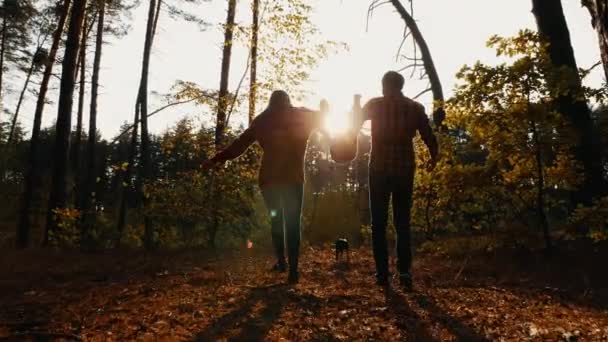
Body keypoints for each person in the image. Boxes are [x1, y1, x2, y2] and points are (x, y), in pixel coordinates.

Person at [202, 90, 326, 284]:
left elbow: (239, 145)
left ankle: (282, 262)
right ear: (288, 102)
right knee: (292, 223)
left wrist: (216, 159)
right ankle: (292, 270)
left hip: (270, 181)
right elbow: (321, 117)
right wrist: (324, 110)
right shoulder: (300, 115)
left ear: (270, 104)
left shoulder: (263, 120)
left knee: (277, 221)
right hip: (293, 180)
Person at [356, 71, 439, 290]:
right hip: (404, 171)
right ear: (401, 86)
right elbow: (429, 137)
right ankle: (404, 273)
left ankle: (382, 274)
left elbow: (353, 122)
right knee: (403, 224)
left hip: (379, 170)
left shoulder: (375, 104)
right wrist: (433, 157)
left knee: (378, 225)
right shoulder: (415, 108)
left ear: (384, 86)